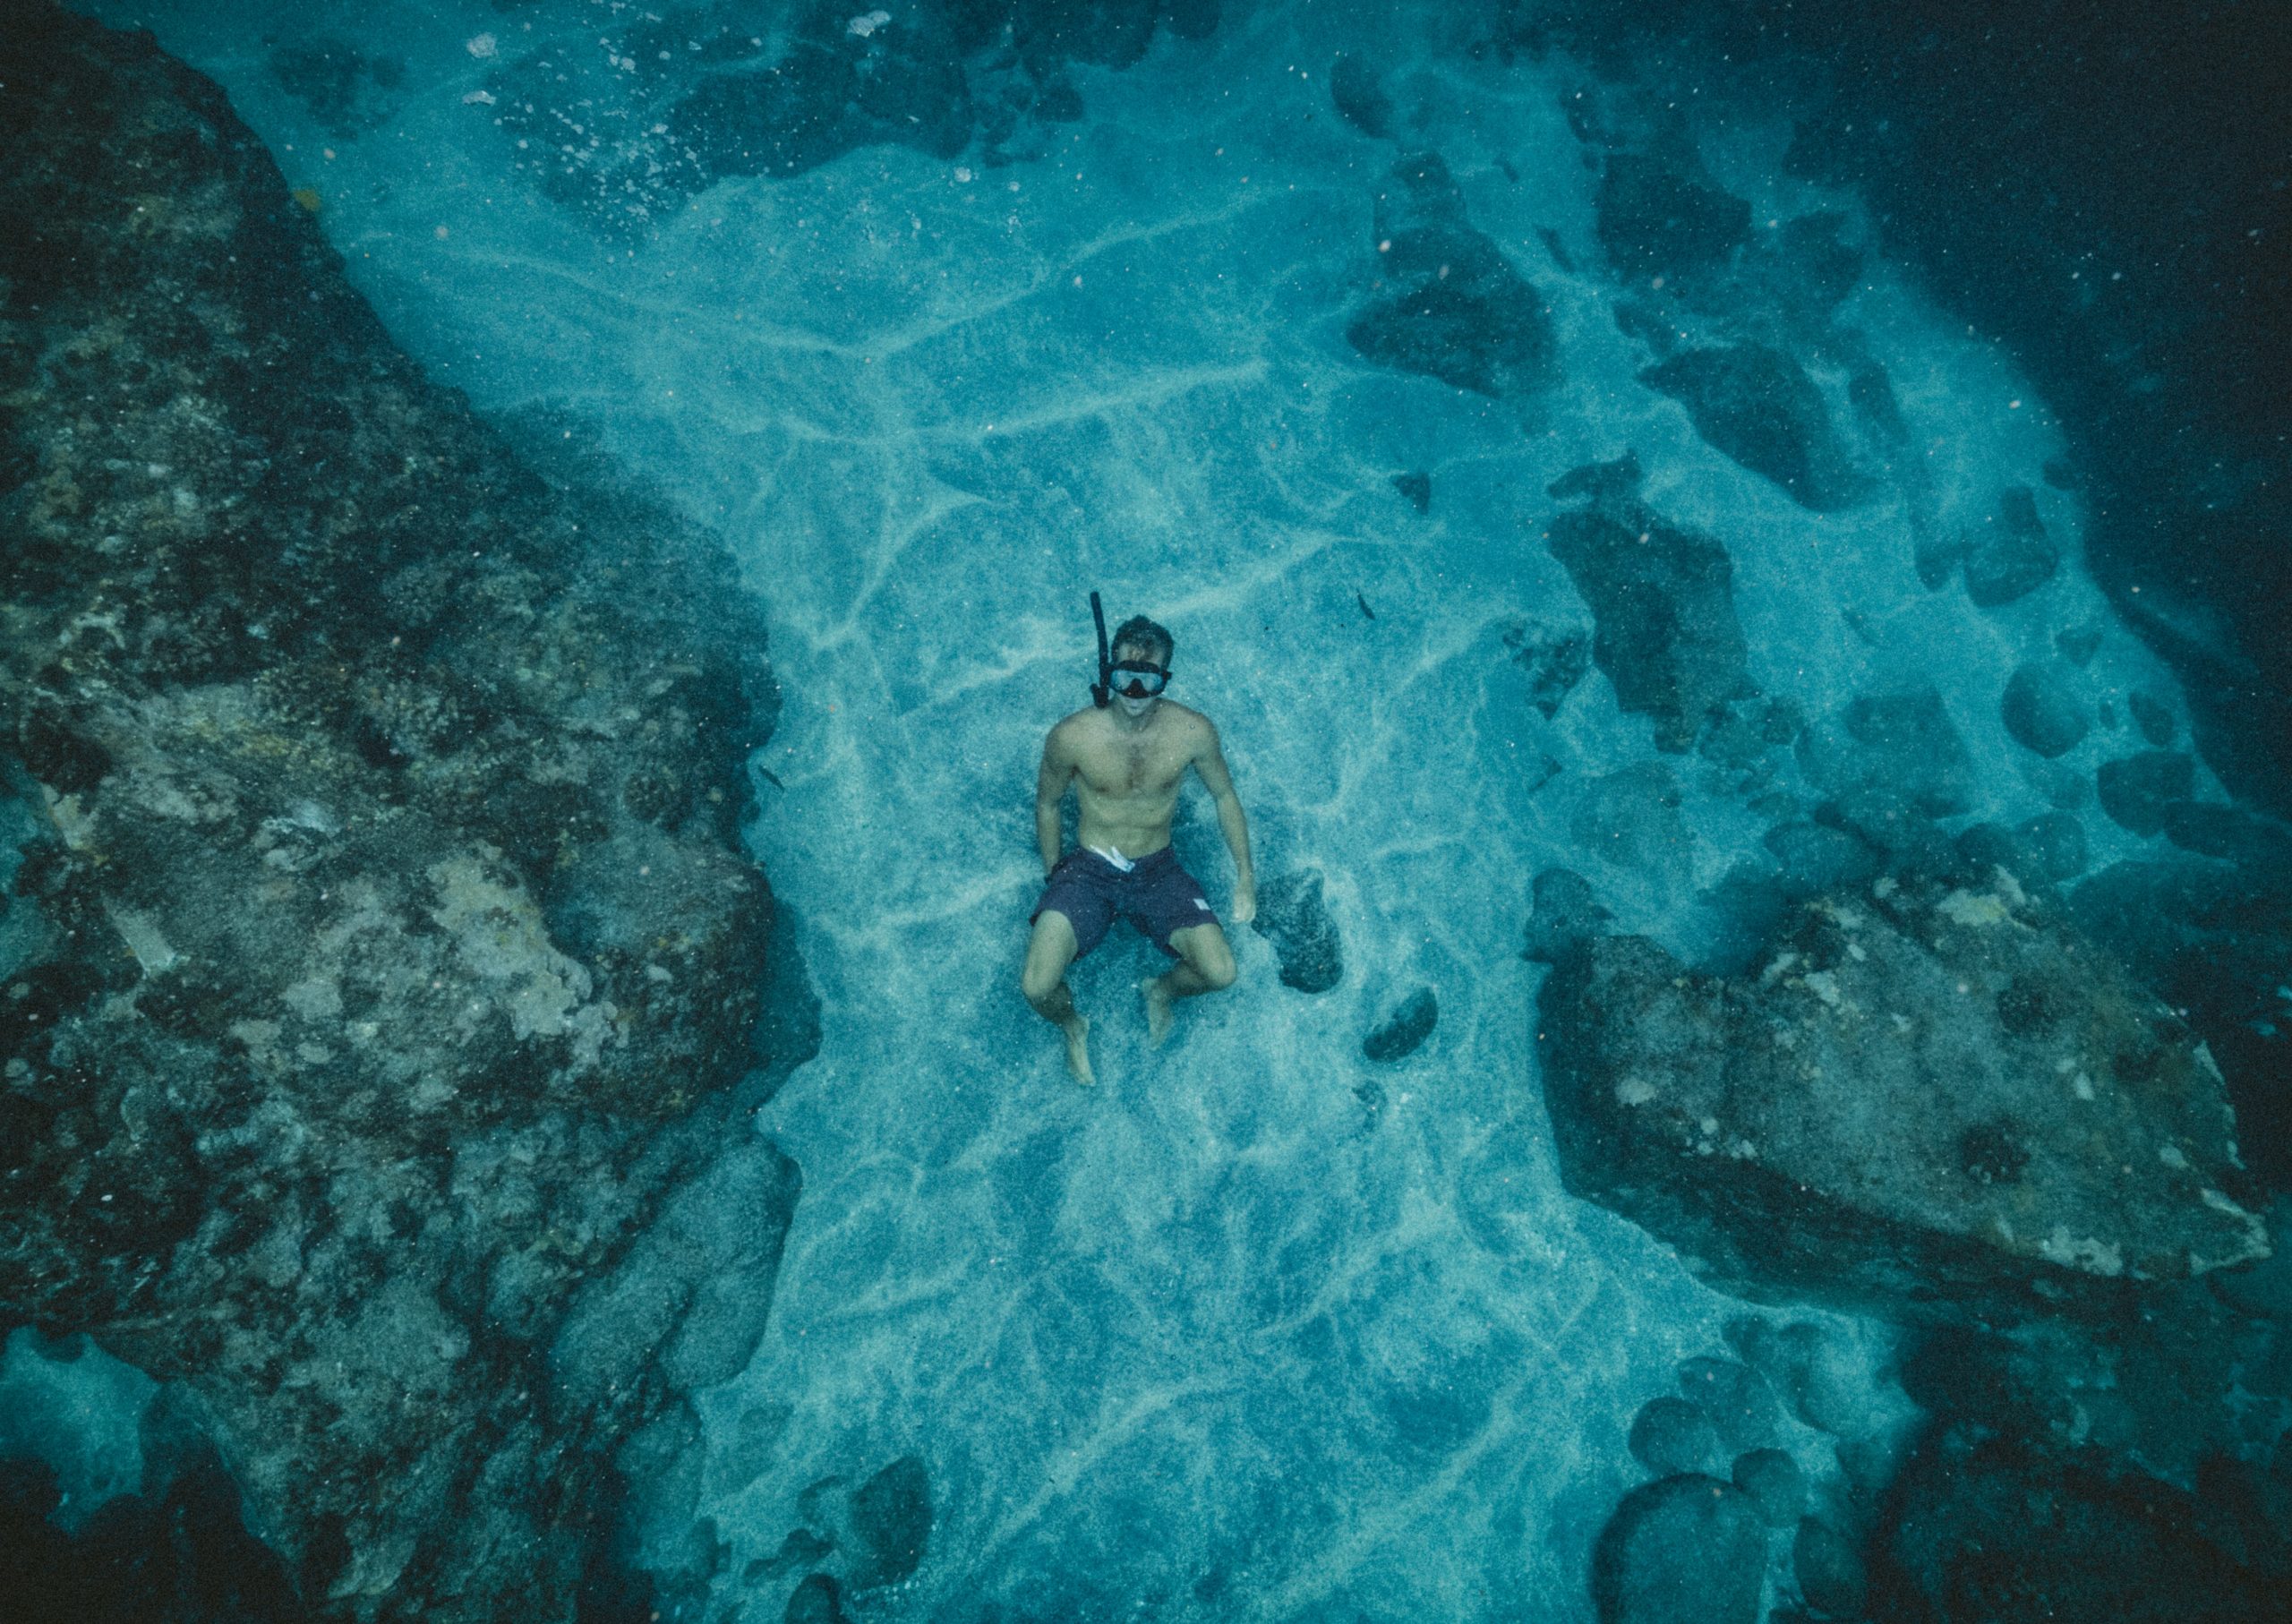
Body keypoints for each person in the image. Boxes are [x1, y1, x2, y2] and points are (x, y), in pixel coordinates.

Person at [1022, 613, 1255, 1084]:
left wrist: (1246, 877)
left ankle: (1162, 990)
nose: (1134, 689)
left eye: (1147, 678)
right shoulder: (1071, 736)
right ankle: (1072, 1025)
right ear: (1109, 670)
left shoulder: (1192, 732)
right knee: (1037, 985)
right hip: (1088, 869)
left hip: (1158, 870)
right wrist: (1055, 874)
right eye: (1125, 674)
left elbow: (1225, 797)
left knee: (1221, 972)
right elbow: (1048, 805)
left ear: (1164, 680)